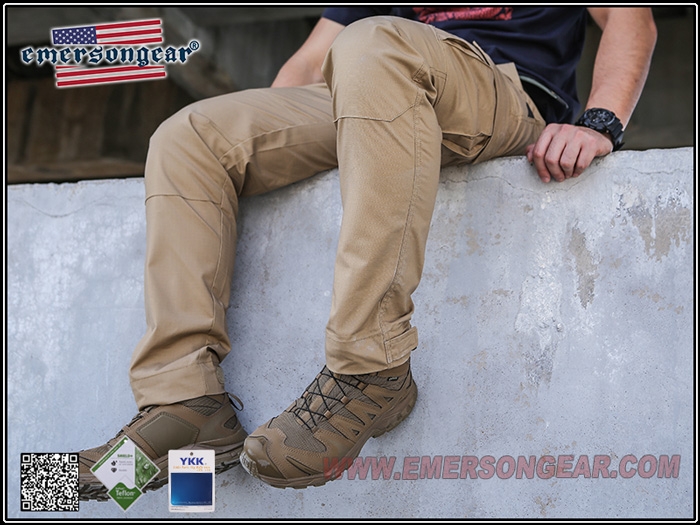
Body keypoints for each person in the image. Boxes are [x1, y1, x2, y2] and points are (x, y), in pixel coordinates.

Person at [77, 7, 657, 498]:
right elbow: (311, 61)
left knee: (373, 41)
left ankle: (371, 369)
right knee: (190, 134)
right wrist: (264, 141)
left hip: (501, 94)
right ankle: (186, 407)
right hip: (369, 92)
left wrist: (599, 123)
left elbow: (632, 18)